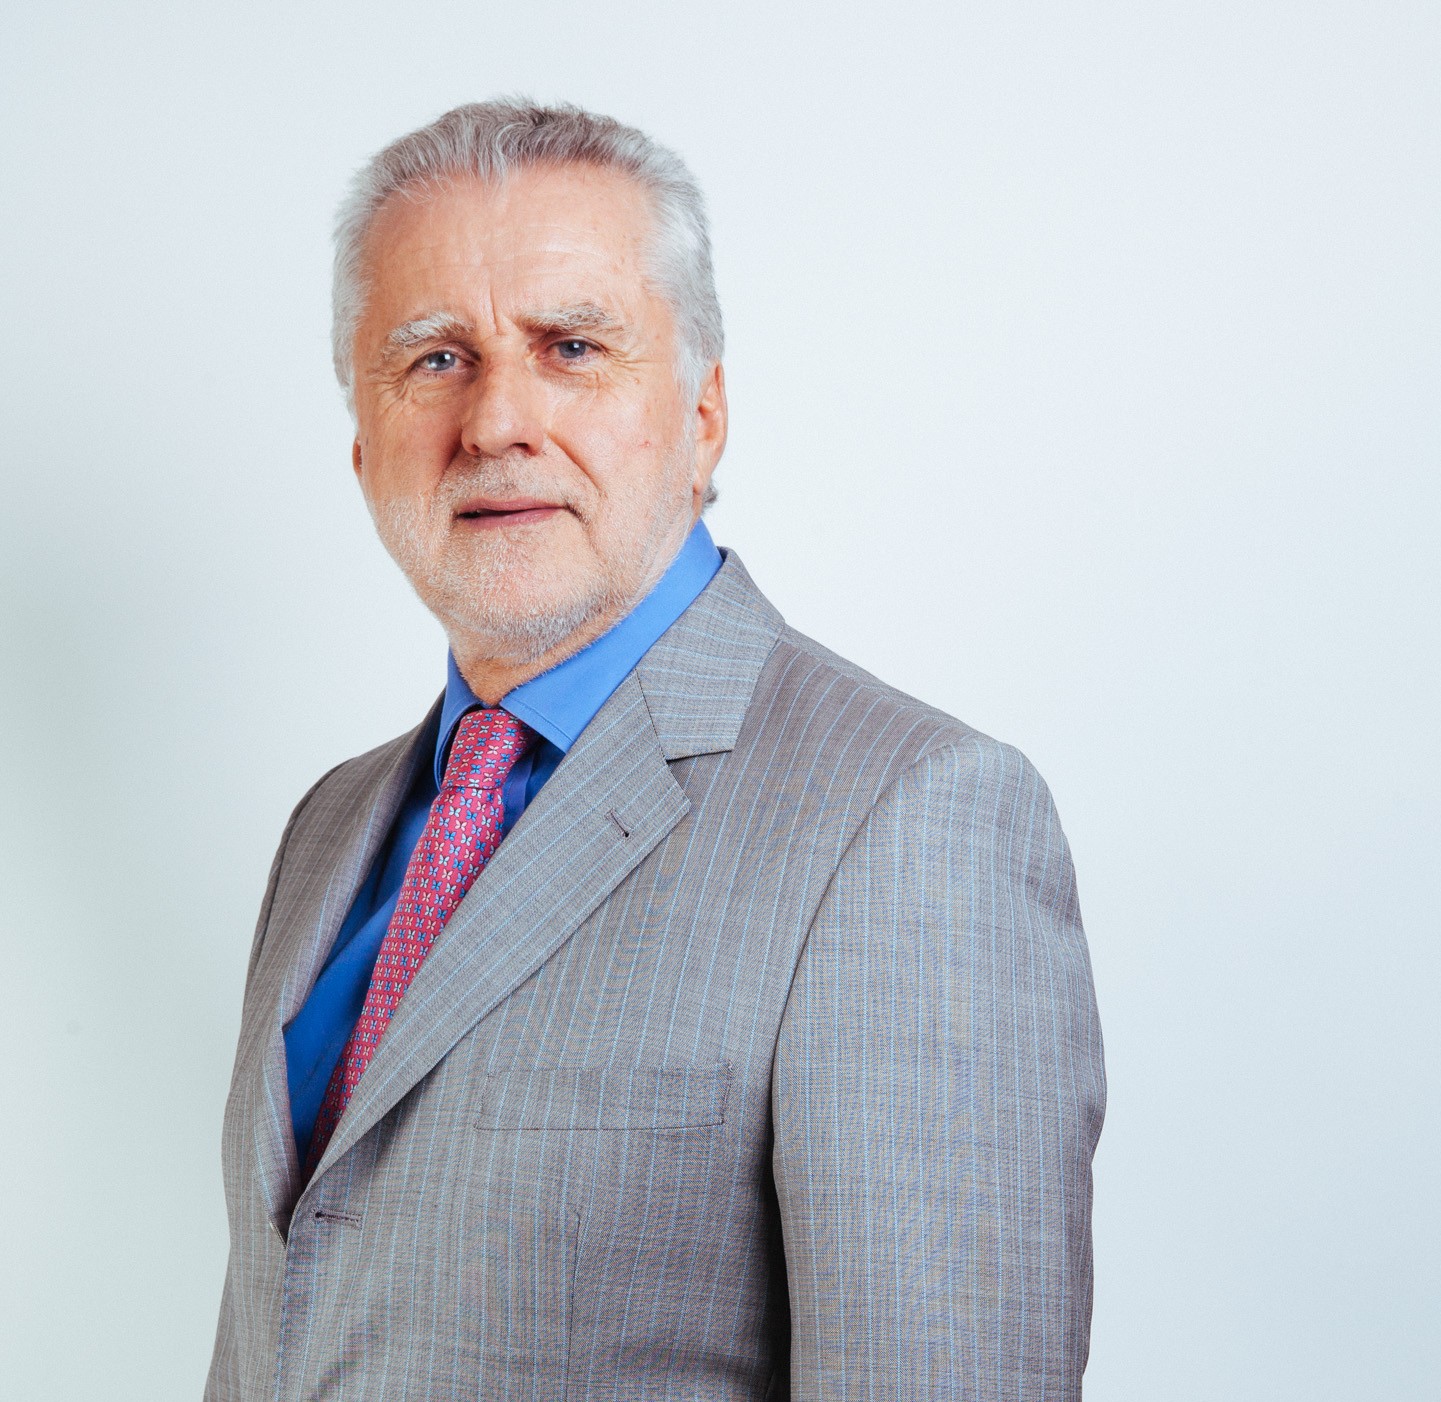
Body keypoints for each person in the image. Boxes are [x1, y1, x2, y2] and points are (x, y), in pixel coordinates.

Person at [207, 98, 1104, 1401]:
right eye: (436, 359)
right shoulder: (331, 827)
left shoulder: (913, 818)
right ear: (362, 444)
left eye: (572, 347)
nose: (497, 421)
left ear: (704, 413)